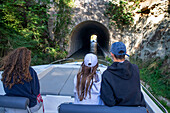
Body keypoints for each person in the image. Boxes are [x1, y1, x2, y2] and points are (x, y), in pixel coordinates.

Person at [100, 42, 146, 107]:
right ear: (126, 53)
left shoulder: (107, 74)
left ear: (112, 54)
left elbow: (109, 102)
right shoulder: (135, 68)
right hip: (136, 109)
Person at [0, 47, 43, 113]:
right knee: (40, 102)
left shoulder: (7, 72)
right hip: (27, 106)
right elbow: (36, 91)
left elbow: (6, 89)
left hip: (9, 106)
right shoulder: (29, 72)